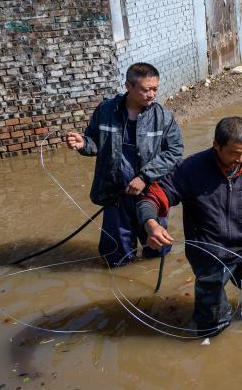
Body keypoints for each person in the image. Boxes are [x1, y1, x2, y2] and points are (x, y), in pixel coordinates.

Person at [139, 116, 242, 337]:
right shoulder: (191, 169)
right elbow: (151, 198)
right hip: (209, 255)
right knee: (210, 325)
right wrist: (151, 224)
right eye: (234, 153)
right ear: (216, 145)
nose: (241, 159)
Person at [64, 62, 183, 267]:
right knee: (116, 256)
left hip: (150, 192)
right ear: (128, 86)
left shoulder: (163, 117)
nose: (152, 94)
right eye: (146, 90)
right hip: (116, 192)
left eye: (155, 89)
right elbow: (94, 142)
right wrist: (83, 143)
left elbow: (175, 151)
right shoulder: (106, 110)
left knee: (157, 249)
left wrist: (145, 177)